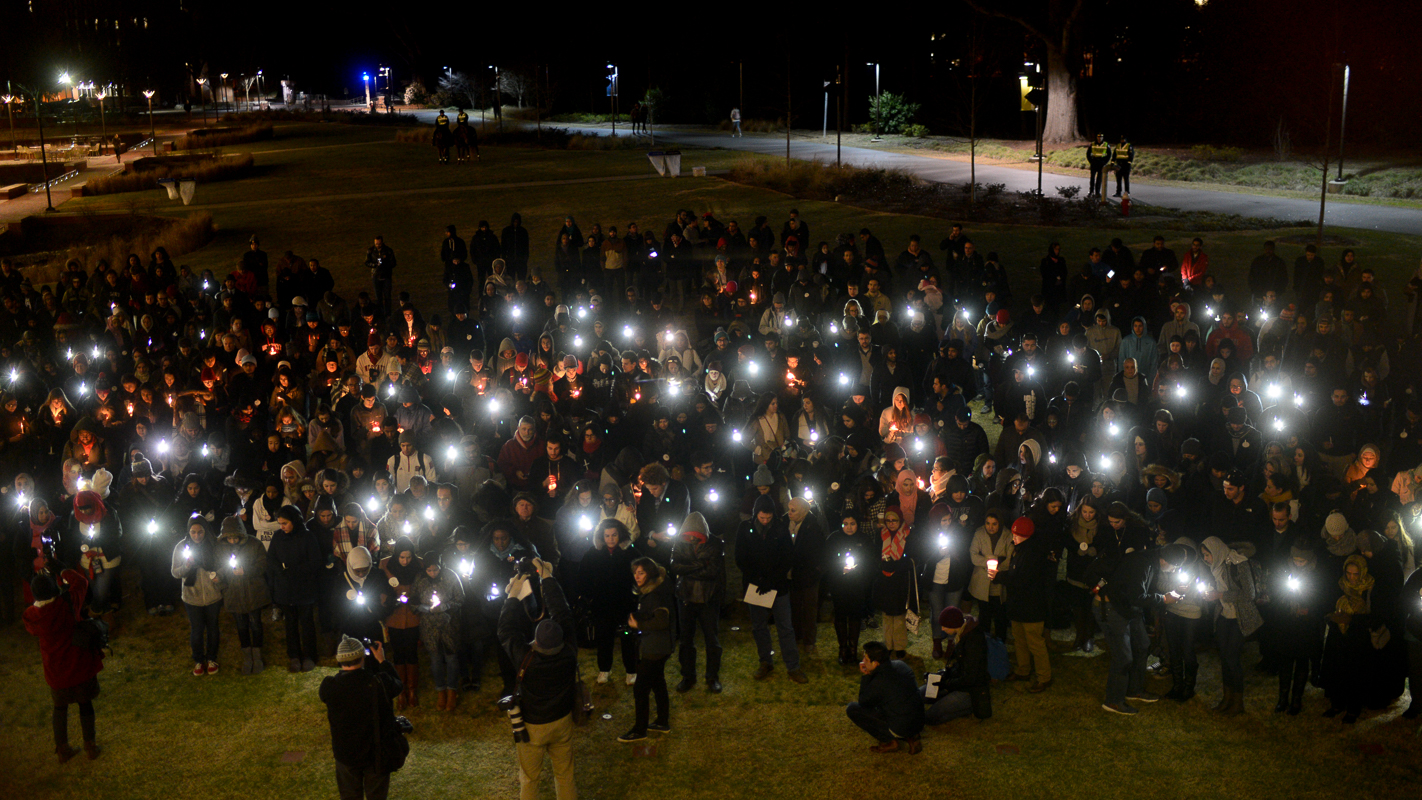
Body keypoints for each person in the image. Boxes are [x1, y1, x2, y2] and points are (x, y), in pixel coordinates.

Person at [498, 558, 578, 800]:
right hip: (563, 719)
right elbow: (562, 611)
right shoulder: (569, 651)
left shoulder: (526, 658)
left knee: (530, 777)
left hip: (533, 725)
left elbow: (505, 630)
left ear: (536, 641)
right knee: (565, 774)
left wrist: (513, 595)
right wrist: (548, 577)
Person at [1099, 543, 1189, 715]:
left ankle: (1134, 690)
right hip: (1113, 608)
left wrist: (1171, 594)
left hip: (1128, 609)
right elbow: (1136, 596)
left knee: (1142, 645)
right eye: (1175, 567)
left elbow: (1145, 590)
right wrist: (1163, 599)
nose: (1174, 571)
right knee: (1123, 657)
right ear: (1165, 560)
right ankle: (1113, 701)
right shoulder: (1143, 563)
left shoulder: (1152, 561)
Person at [25, 569, 104, 762]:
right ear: (54, 588)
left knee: (59, 708)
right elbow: (81, 582)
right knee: (85, 704)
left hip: (55, 670)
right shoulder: (67, 603)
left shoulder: (31, 616)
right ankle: (90, 746)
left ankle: (62, 749)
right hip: (79, 664)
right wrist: (62, 569)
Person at [318, 635, 404, 800]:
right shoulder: (379, 682)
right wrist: (383, 661)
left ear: (340, 659)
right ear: (363, 656)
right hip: (376, 755)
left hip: (346, 755)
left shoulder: (329, 686)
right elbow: (398, 685)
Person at [736, 494, 806, 683]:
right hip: (755, 585)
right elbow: (741, 558)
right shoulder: (745, 529)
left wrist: (772, 580)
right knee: (759, 626)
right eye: (762, 518)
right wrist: (757, 579)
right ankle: (765, 661)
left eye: (768, 518)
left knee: (785, 627)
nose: (765, 521)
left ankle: (793, 666)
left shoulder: (781, 529)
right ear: (755, 514)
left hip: (777, 586)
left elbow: (787, 558)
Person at [1199, 535, 1262, 716]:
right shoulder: (1216, 567)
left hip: (1239, 617)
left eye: (1207, 555)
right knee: (1225, 659)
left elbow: (1248, 594)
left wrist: (1219, 595)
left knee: (1232, 659)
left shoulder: (1238, 563)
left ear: (1216, 551)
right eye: (1203, 555)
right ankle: (1227, 699)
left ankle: (1237, 702)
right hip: (1224, 616)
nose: (1205, 559)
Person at [617, 557, 674, 742]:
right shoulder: (652, 591)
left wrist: (638, 624)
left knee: (640, 689)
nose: (637, 576)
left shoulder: (655, 594)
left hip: (656, 647)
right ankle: (662, 722)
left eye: (641, 573)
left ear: (649, 573)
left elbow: (662, 621)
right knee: (658, 683)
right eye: (635, 573)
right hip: (659, 646)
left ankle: (640, 730)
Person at [670, 511, 725, 694]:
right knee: (686, 640)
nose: (692, 539)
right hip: (685, 597)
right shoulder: (680, 542)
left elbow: (712, 572)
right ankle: (688, 676)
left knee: (712, 640)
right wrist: (700, 564)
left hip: (708, 598)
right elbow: (674, 566)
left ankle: (712, 677)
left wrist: (687, 569)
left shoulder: (715, 543)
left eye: (696, 537)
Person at [846, 641, 924, 754]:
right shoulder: (901, 665)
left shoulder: (879, 682)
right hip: (919, 721)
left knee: (852, 709)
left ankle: (889, 741)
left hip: (900, 726)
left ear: (875, 663)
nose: (863, 661)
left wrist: (866, 675)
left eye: (866, 659)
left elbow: (863, 702)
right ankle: (913, 736)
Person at [215, 514, 270, 674]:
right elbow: (220, 566)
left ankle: (257, 655)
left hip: (253, 591)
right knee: (241, 625)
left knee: (255, 624)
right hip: (234, 592)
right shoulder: (220, 548)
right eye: (229, 538)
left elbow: (263, 564)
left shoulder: (255, 544)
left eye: (235, 537)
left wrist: (246, 571)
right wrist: (220, 579)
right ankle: (247, 656)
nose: (232, 541)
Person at [171, 515, 223, 676]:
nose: (197, 536)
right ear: (188, 531)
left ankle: (212, 658)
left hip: (213, 595)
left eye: (200, 532)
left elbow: (223, 566)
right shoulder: (181, 547)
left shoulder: (214, 546)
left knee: (213, 628)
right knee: (197, 629)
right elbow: (175, 572)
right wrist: (187, 566)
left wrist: (218, 576)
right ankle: (199, 660)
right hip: (192, 597)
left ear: (206, 531)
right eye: (193, 532)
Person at [921, 606, 991, 724]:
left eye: (945, 626)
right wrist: (942, 676)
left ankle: (969, 707)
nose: (942, 629)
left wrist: (946, 684)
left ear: (954, 625)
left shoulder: (973, 643)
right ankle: (948, 700)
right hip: (956, 681)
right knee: (920, 695)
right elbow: (959, 665)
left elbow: (970, 678)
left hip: (969, 690)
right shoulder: (962, 633)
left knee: (930, 717)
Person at [364, 235, 397, 318]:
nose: (378, 245)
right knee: (378, 297)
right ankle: (381, 314)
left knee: (387, 296)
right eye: (376, 243)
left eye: (379, 243)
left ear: (382, 242)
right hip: (376, 276)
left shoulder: (388, 251)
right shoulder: (371, 251)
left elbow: (393, 263)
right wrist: (375, 265)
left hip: (386, 276)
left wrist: (385, 265)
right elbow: (367, 262)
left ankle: (388, 314)